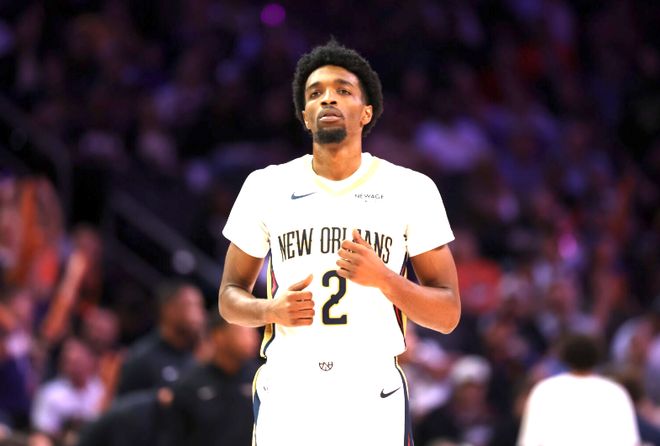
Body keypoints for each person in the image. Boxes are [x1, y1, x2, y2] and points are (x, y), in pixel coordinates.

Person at [218, 39, 461, 446]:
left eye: (343, 90)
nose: (327, 99)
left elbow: (448, 314)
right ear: (304, 116)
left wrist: (385, 279)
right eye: (315, 93)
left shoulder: (411, 189)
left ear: (366, 112)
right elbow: (228, 297)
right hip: (289, 387)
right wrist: (269, 309)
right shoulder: (265, 186)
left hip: (371, 390)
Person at [517, 333, 640, 446]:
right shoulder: (614, 392)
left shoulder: (545, 390)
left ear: (565, 357)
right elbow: (629, 441)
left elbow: (529, 441)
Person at [169, 313, 259, 446]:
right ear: (219, 336)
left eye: (252, 330)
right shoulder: (189, 385)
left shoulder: (261, 379)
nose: (253, 337)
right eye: (243, 331)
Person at [115, 281, 205, 396]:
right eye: (191, 306)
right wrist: (156, 400)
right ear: (169, 309)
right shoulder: (142, 356)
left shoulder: (196, 358)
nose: (198, 315)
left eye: (200, 306)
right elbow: (120, 402)